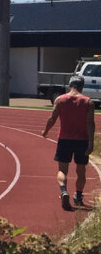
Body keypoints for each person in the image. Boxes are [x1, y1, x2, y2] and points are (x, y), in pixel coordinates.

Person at [42, 74, 95, 210]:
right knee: (81, 170)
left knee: (62, 169)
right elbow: (90, 124)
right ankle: (78, 196)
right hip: (82, 140)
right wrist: (91, 142)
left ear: (70, 85)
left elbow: (52, 118)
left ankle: (64, 191)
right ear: (82, 86)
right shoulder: (88, 102)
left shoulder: (60, 100)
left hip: (64, 139)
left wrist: (46, 131)